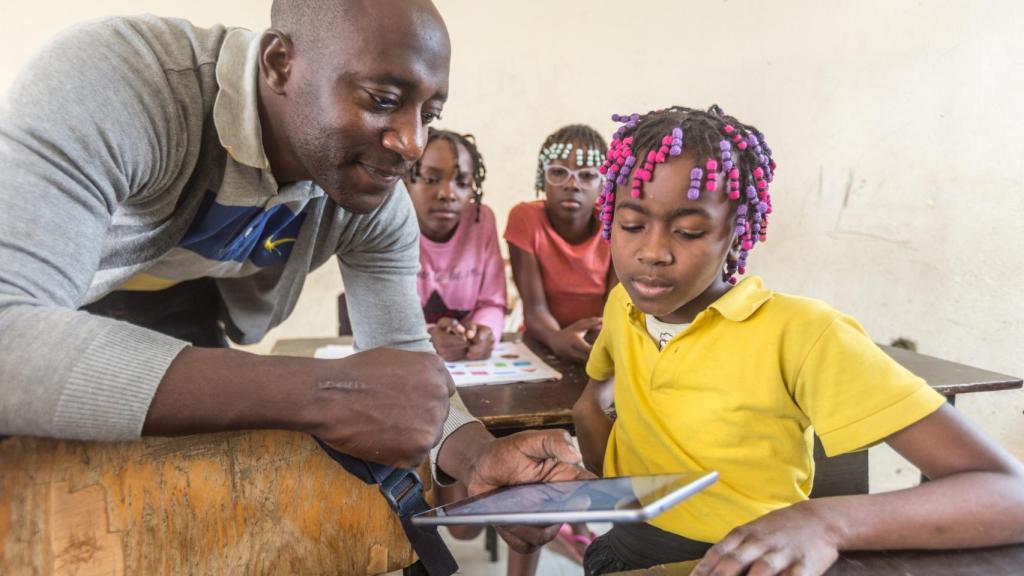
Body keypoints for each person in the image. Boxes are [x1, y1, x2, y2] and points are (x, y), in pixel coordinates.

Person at [0, 0, 587, 557]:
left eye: (429, 116)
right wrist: (326, 392)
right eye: (383, 99)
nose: (411, 144)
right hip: (70, 305)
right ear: (281, 63)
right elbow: (10, 337)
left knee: (181, 513)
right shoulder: (121, 82)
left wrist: (477, 454)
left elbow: (401, 361)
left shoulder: (374, 200)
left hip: (189, 315)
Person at [572, 105, 1024, 575]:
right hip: (619, 555)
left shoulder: (801, 334)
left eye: (689, 231)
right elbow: (593, 399)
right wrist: (599, 487)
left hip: (744, 563)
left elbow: (1009, 493)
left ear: (735, 230)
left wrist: (826, 522)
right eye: (631, 225)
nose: (652, 252)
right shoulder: (623, 306)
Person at [505, 124, 615, 364]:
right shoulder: (525, 219)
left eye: (586, 175)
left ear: (603, 185)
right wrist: (557, 338)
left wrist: (602, 336)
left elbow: (616, 307)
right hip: (542, 341)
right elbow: (535, 309)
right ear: (541, 179)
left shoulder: (615, 224)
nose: (571, 185)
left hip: (602, 341)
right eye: (558, 172)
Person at [406, 128, 505, 362]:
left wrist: (484, 331)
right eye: (431, 179)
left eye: (462, 182)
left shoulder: (481, 220)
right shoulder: (388, 224)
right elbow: (384, 317)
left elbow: (493, 302)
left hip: (467, 365)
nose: (448, 194)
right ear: (406, 180)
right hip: (410, 363)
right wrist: (427, 337)